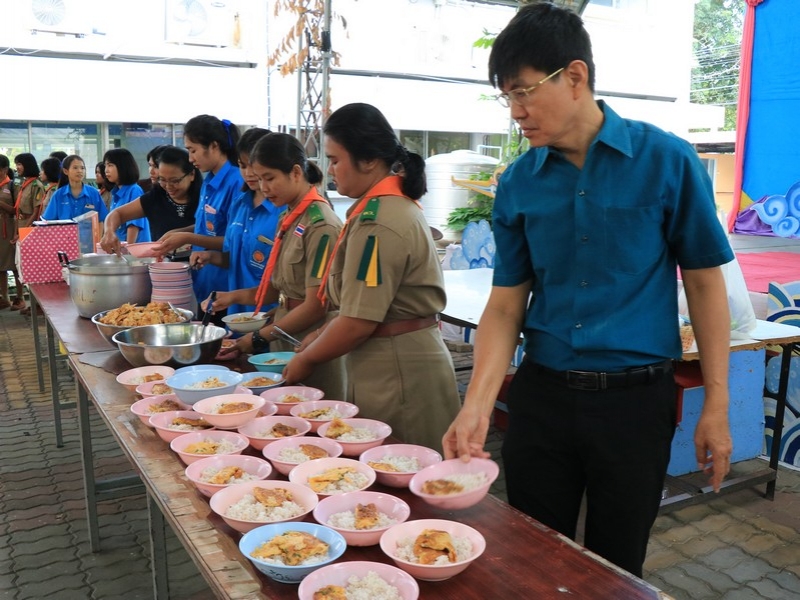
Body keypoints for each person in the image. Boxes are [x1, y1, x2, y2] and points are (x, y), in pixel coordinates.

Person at [441, 3, 734, 578]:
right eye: (507, 97)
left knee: (616, 566)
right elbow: (506, 304)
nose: (516, 112)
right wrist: (475, 406)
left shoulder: (665, 160)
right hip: (543, 399)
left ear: (574, 76)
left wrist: (717, 405)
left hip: (634, 406)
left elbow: (704, 283)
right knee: (531, 559)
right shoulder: (519, 183)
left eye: (523, 92)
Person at [282, 103, 461, 452]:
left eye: (335, 160)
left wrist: (307, 359)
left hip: (398, 371)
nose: (330, 170)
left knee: (401, 468)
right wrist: (320, 334)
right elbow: (357, 306)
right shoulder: (379, 209)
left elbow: (358, 321)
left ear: (367, 160)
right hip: (389, 362)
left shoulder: (378, 221)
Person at [208, 132, 346, 400]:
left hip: (309, 341)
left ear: (295, 172)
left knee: (311, 409)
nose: (264, 187)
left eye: (269, 178)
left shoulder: (321, 225)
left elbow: (316, 305)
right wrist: (232, 297)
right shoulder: (288, 216)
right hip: (284, 331)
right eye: (259, 179)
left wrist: (258, 337)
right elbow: (280, 287)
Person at [153, 115, 243, 324]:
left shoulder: (236, 182)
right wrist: (181, 232)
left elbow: (233, 241)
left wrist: (188, 238)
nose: (190, 158)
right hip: (205, 283)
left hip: (225, 287)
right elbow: (207, 227)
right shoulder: (209, 180)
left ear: (214, 146)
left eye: (192, 150)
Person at [193, 128, 284, 316]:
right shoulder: (239, 204)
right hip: (237, 316)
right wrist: (209, 256)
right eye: (242, 166)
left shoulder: (283, 210)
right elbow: (235, 258)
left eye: (253, 166)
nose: (248, 173)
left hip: (269, 317)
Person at [100, 145, 200, 252]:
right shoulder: (156, 197)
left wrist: (184, 235)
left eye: (175, 181)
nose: (168, 186)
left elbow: (209, 230)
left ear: (191, 174)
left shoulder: (205, 198)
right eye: (162, 180)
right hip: (163, 261)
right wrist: (109, 232)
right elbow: (117, 214)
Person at [103, 148, 150, 244]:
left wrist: (128, 249)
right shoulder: (115, 193)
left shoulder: (134, 190)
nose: (106, 170)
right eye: (105, 166)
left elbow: (133, 225)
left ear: (123, 167)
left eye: (110, 165)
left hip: (135, 250)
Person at [41, 155, 109, 221]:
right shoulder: (58, 195)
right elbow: (48, 221)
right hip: (65, 229)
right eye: (75, 168)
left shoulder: (94, 193)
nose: (79, 171)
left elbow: (102, 219)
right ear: (65, 171)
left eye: (82, 168)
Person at [0, 155, 22, 311]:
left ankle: (19, 297)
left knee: (14, 264)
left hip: (9, 228)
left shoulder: (13, 185)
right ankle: (4, 297)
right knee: (0, 266)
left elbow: (16, 210)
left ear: (5, 169)